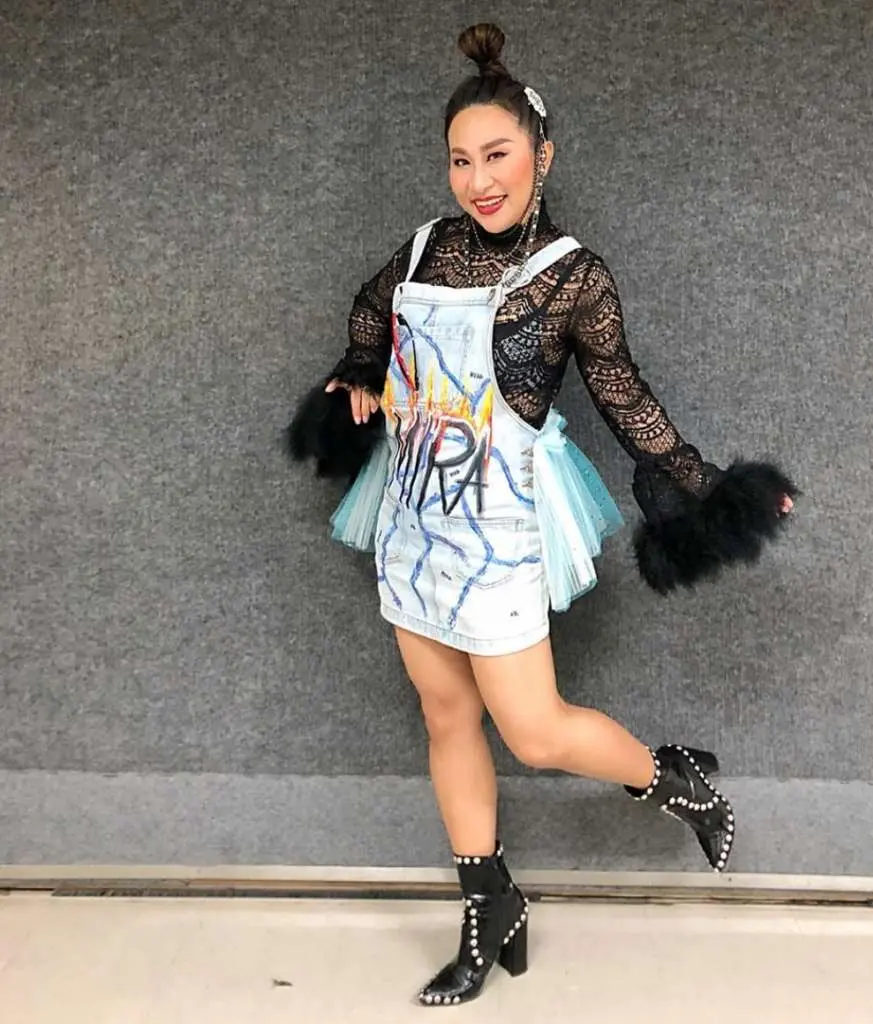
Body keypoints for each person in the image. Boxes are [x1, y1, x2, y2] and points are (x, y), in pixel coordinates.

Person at [287, 22, 797, 1008]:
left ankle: (672, 779)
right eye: (460, 160)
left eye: (498, 155)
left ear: (541, 155)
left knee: (533, 730)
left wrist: (707, 489)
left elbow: (624, 396)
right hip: (412, 515)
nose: (478, 181)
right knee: (445, 714)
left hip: (498, 527)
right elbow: (368, 311)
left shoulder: (574, 277)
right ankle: (491, 905)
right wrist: (358, 373)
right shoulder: (425, 248)